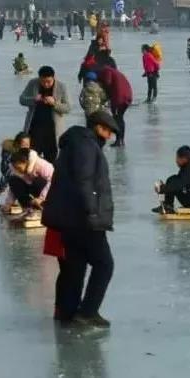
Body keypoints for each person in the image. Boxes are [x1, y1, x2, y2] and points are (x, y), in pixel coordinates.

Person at [41, 111, 117, 327]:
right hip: (82, 218)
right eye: (108, 130)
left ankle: (66, 312)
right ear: (98, 127)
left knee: (74, 267)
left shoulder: (74, 143)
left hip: (67, 218)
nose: (110, 136)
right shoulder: (86, 145)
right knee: (104, 264)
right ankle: (88, 311)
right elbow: (85, 181)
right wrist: (92, 213)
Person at [19, 66, 71, 164]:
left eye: (49, 82)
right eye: (43, 82)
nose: (46, 84)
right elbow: (22, 99)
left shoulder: (61, 86)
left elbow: (68, 108)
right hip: (34, 130)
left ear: (54, 78)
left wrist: (54, 103)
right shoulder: (33, 83)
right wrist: (34, 100)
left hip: (52, 132)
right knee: (31, 160)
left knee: (52, 162)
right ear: (39, 78)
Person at [152, 146, 190, 215]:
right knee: (172, 179)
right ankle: (167, 205)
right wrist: (164, 188)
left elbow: (179, 184)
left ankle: (167, 206)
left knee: (172, 182)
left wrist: (162, 189)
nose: (176, 160)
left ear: (184, 159)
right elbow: (179, 181)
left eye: (177, 158)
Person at [0, 148, 54, 218]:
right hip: (34, 189)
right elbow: (13, 189)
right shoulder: (17, 171)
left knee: (36, 180)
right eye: (15, 168)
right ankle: (28, 208)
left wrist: (41, 198)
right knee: (13, 180)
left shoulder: (41, 165)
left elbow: (53, 181)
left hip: (51, 191)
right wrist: (8, 204)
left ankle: (44, 206)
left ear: (26, 162)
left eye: (19, 167)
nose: (18, 170)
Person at [97, 65, 133, 147]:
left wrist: (105, 96)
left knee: (117, 119)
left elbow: (107, 82)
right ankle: (121, 140)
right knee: (119, 118)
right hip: (127, 95)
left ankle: (118, 140)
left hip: (119, 97)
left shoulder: (106, 71)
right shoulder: (113, 71)